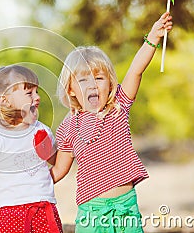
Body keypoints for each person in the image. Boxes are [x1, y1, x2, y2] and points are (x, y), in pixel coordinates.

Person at [50, 12, 173, 233]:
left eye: (98, 78)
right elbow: (59, 170)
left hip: (126, 207)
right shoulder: (69, 125)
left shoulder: (118, 106)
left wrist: (153, 38)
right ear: (71, 89)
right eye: (83, 79)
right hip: (92, 212)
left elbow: (136, 70)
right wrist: (28, 180)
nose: (92, 85)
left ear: (110, 83)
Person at [0, 64, 63, 233]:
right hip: (8, 215)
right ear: (5, 100)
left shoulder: (41, 131)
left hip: (44, 210)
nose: (37, 97)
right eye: (29, 93)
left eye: (37, 92)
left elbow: (56, 162)